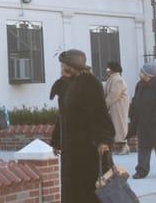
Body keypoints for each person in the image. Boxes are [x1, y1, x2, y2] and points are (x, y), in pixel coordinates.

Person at [50, 49, 114, 203]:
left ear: (70, 67)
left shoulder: (90, 84)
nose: (60, 68)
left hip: (88, 148)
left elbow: (100, 113)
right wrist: (57, 140)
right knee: (72, 189)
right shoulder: (65, 84)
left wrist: (103, 140)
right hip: (70, 150)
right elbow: (63, 115)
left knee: (88, 190)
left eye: (63, 65)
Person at [129, 62, 156, 179]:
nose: (140, 73)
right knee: (143, 147)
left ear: (148, 74)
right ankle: (141, 170)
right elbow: (135, 100)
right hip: (143, 122)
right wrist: (132, 111)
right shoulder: (139, 85)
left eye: (142, 72)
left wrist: (153, 121)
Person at [104, 61, 130, 155]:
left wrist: (104, 105)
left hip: (118, 106)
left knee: (120, 126)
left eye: (108, 69)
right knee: (116, 126)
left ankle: (124, 146)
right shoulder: (112, 79)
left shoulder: (117, 80)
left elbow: (114, 95)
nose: (106, 70)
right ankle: (119, 147)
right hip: (114, 107)